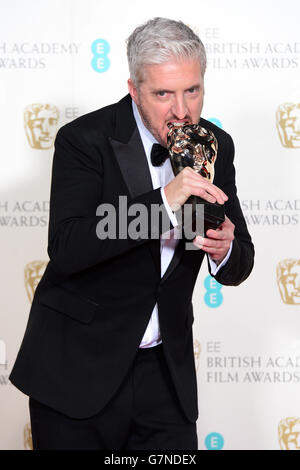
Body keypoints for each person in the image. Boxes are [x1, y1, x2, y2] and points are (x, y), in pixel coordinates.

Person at [10, 17, 254, 450]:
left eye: (192, 90)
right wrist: (164, 201)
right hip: (77, 371)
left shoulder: (217, 144)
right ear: (134, 88)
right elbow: (68, 246)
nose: (182, 110)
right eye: (163, 94)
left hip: (165, 377)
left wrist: (225, 248)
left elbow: (240, 260)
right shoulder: (83, 139)